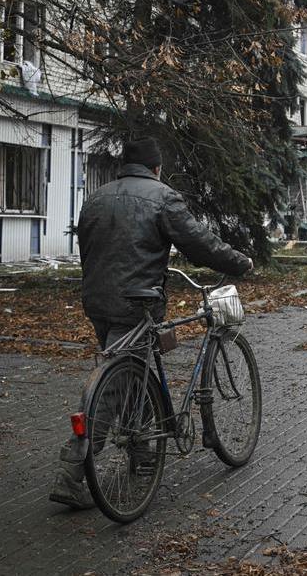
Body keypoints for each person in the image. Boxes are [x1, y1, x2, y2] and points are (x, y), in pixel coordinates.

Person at [49, 136, 253, 509]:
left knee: (131, 374)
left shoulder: (96, 197)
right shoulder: (162, 197)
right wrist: (237, 262)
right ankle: (72, 472)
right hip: (136, 304)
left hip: (98, 302)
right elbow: (199, 243)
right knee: (112, 389)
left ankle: (144, 454)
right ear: (156, 167)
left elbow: (93, 251)